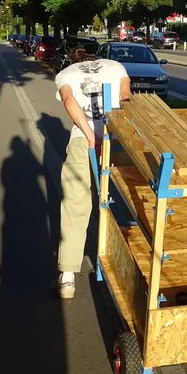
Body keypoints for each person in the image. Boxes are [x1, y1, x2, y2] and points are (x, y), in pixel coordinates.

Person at [54, 47, 131, 299]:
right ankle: (127, 258)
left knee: (76, 202)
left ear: (75, 61)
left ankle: (67, 276)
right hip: (115, 136)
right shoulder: (115, 66)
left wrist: (89, 135)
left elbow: (68, 101)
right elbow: (126, 98)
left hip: (82, 139)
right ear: (93, 59)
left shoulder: (65, 73)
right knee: (130, 193)